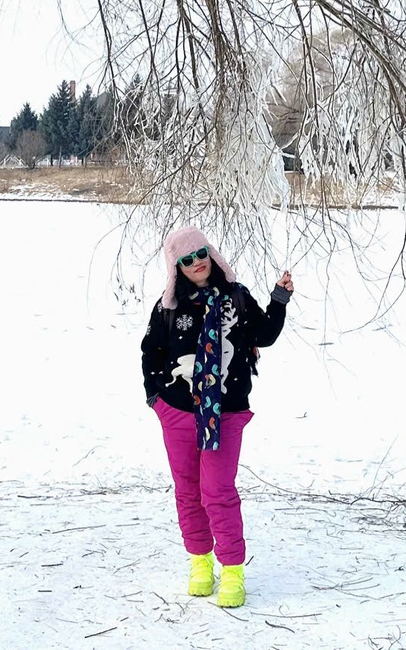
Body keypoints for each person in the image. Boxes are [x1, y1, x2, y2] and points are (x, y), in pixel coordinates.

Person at [141, 226, 294, 609]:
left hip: (225, 414)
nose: (197, 263)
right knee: (188, 492)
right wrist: (156, 398)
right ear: (177, 266)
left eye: (201, 254)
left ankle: (232, 570)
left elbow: (265, 334)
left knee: (218, 492)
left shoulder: (236, 298)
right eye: (187, 259)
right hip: (178, 413)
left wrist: (279, 300)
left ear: (211, 254)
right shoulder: (168, 308)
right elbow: (150, 351)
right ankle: (199, 563)